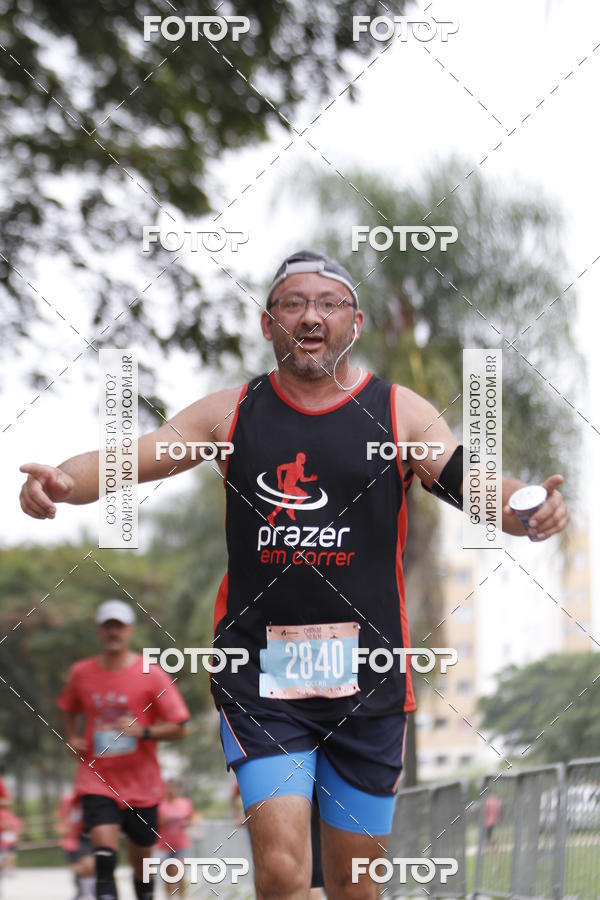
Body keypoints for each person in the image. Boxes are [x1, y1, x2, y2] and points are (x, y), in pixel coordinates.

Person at [20, 249, 569, 898]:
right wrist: (63, 481)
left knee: (354, 884)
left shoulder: (397, 413)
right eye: (293, 304)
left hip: (368, 679)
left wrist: (523, 507)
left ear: (354, 322)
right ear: (267, 323)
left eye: (328, 304)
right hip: (259, 676)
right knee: (282, 872)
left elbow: (466, 479)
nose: (311, 317)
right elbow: (133, 459)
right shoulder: (231, 414)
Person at [56, 599, 190, 900]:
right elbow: (68, 707)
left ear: (130, 631)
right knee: (103, 850)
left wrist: (141, 731)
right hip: (97, 778)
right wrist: (71, 737)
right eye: (107, 626)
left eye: (119, 626)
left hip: (142, 783)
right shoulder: (82, 673)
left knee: (142, 859)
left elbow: (180, 726)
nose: (113, 632)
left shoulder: (152, 673)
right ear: (99, 632)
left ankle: (144, 894)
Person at [56, 790, 96, 900]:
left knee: (89, 866)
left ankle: (87, 893)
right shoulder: (68, 801)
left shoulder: (88, 802)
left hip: (84, 838)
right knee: (80, 869)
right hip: (71, 841)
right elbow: (61, 823)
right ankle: (82, 892)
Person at [156, 779, 193, 896]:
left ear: (177, 789)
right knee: (167, 875)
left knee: (180, 873)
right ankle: (169, 897)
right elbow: (153, 824)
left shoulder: (185, 803)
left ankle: (182, 897)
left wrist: (186, 823)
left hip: (181, 844)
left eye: (173, 787)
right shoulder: (159, 805)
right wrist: (164, 820)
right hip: (164, 845)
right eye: (168, 787)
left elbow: (191, 819)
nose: (170, 790)